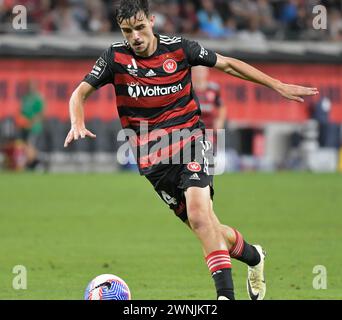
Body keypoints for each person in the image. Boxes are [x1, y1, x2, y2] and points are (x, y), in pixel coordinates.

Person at [63, 0, 319, 300]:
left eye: (140, 27)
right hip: (152, 159)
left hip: (190, 142)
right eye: (127, 30)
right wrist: (77, 121)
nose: (135, 37)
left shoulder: (179, 48)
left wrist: (277, 85)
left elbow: (228, 64)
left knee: (199, 216)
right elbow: (80, 93)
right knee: (208, 227)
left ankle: (225, 296)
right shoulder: (114, 57)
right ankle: (254, 257)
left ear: (152, 21)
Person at [18, 80, 45, 170]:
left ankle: (36, 165)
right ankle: (33, 164)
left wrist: (31, 123)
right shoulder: (25, 98)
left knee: (31, 146)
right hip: (24, 127)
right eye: (29, 85)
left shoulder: (38, 98)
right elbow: (22, 112)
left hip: (34, 127)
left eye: (33, 85)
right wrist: (22, 122)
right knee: (27, 147)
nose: (31, 87)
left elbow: (40, 114)